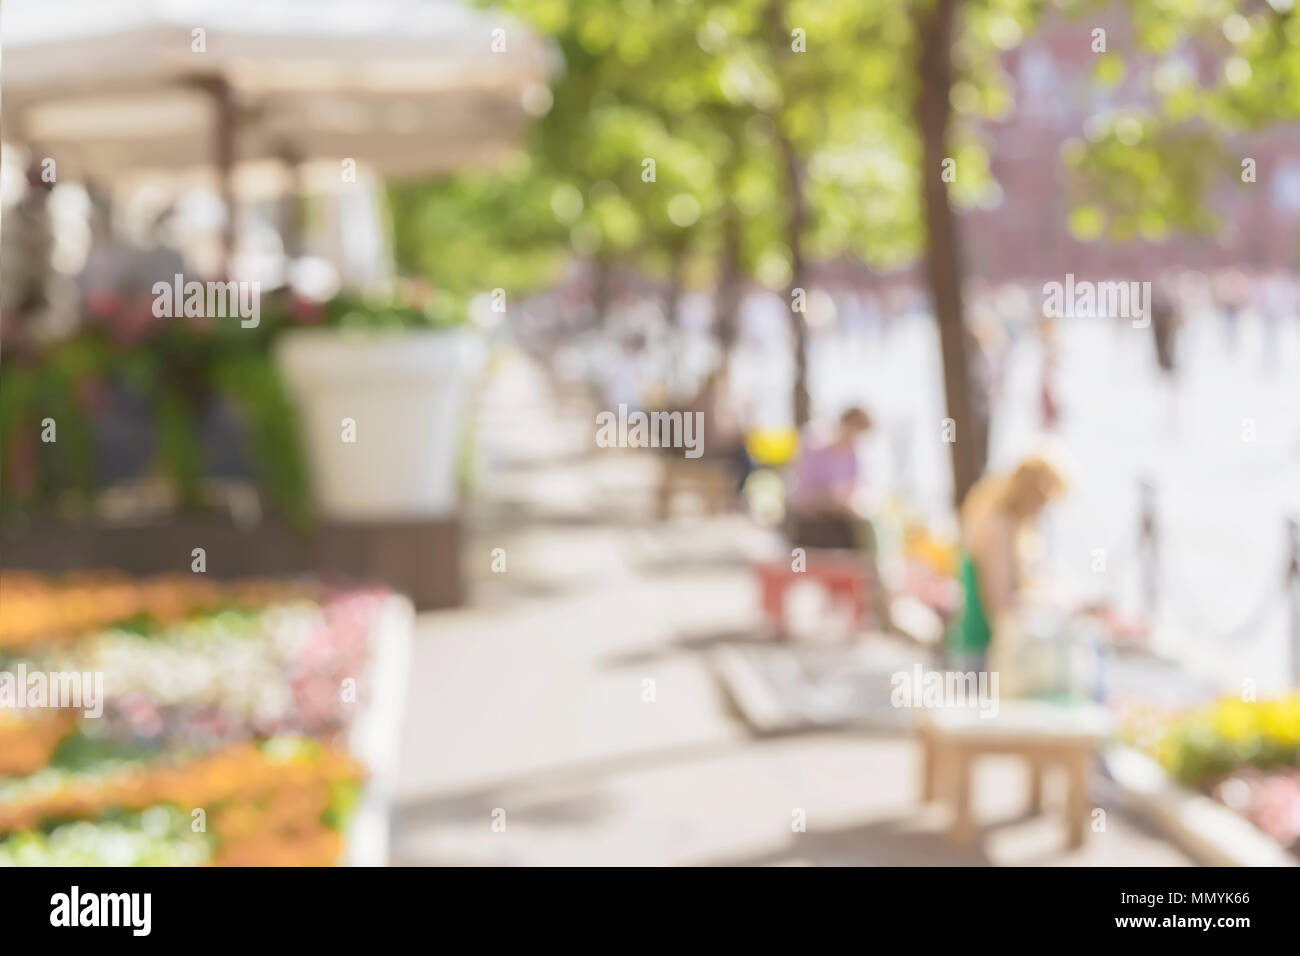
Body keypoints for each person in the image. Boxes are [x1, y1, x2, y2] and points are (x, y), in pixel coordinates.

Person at [947, 455, 1067, 672]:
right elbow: (1001, 605)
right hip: (981, 652)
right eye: (1045, 497)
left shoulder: (1007, 523)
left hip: (985, 650)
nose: (1045, 508)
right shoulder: (998, 526)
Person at [785, 406, 874, 550]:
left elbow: (855, 492)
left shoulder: (854, 458)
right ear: (844, 424)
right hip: (809, 524)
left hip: (840, 526)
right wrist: (826, 499)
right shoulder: (814, 446)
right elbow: (800, 496)